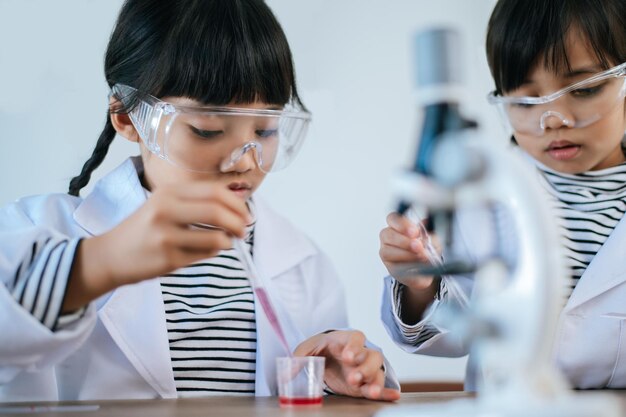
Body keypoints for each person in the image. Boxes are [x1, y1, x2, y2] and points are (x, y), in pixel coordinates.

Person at [0, 0, 400, 402]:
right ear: (126, 117)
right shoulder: (40, 229)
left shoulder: (304, 266)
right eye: (207, 130)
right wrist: (98, 263)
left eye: (265, 130)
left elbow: (329, 391)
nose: (245, 158)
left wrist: (341, 375)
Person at [379, 0, 626, 390]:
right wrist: (420, 285)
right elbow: (454, 330)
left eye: (585, 89)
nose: (554, 119)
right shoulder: (485, 199)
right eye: (526, 101)